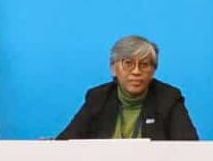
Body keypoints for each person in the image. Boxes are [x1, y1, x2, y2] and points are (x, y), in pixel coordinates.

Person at [57, 36, 198, 140]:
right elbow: (67, 142)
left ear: (153, 70)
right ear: (113, 69)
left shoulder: (168, 98)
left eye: (144, 64)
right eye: (128, 63)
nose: (136, 71)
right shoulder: (98, 98)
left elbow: (189, 148)